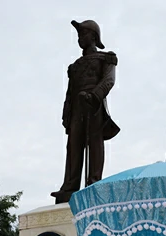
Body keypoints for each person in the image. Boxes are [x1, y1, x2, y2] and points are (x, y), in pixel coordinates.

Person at [51, 20, 120, 204]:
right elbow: (69, 92)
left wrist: (94, 96)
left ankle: (94, 183)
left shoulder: (106, 58)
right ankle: (69, 186)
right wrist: (66, 113)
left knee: (95, 143)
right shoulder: (74, 66)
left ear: (94, 37)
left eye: (83, 34)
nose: (80, 38)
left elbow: (108, 81)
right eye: (79, 35)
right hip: (77, 107)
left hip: (93, 105)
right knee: (73, 145)